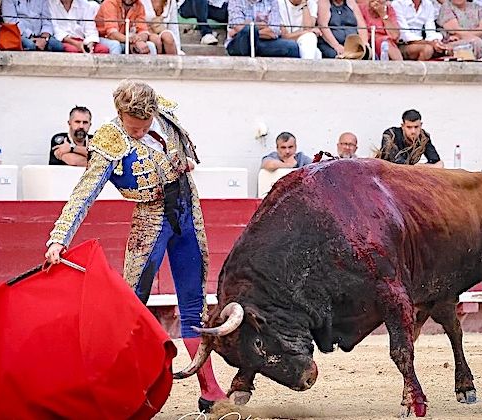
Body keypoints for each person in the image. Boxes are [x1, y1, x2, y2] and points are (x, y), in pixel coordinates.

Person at [44, 80, 228, 413]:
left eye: (144, 126)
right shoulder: (108, 141)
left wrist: (186, 161)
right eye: (133, 127)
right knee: (130, 308)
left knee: (194, 304)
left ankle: (212, 392)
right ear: (120, 114)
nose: (140, 132)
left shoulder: (166, 114)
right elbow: (84, 193)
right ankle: (117, 391)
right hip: (151, 218)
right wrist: (59, 238)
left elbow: (186, 149)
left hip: (187, 209)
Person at [226, 0, 300, 57]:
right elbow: (238, 26)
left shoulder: (272, 1)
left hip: (263, 42)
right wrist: (261, 25)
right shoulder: (235, 1)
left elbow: (274, 30)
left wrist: (252, 30)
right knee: (247, 31)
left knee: (292, 46)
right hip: (239, 42)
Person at [375, 109, 444, 167]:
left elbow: (438, 163)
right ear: (403, 126)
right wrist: (417, 167)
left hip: (409, 174)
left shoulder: (424, 138)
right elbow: (398, 163)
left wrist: (422, 166)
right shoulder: (391, 135)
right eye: (409, 127)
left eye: (416, 127)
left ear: (421, 125)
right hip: (384, 174)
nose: (413, 131)